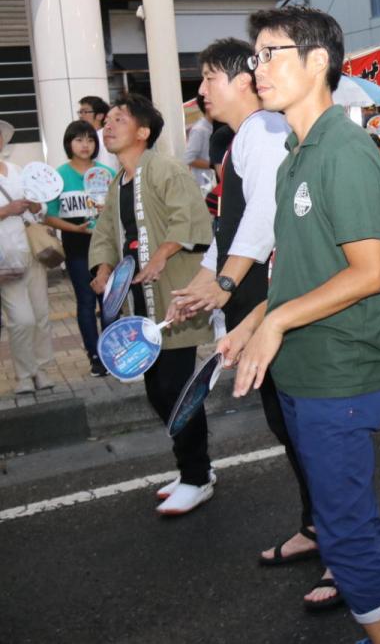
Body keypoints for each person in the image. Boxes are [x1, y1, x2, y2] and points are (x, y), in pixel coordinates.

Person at [219, 7, 380, 643]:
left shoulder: (347, 150)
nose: (258, 69)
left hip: (337, 373)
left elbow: (369, 272)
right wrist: (254, 321)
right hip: (301, 372)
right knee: (348, 514)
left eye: (271, 52)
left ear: (318, 61)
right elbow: (294, 273)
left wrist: (278, 325)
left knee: (343, 531)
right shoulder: (293, 158)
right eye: (255, 56)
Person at [165, 38, 338, 603]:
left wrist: (223, 284)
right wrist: (204, 282)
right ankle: (319, 529)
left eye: (209, 77)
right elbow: (232, 227)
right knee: (288, 427)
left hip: (275, 299)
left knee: (310, 433)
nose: (201, 89)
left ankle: (350, 551)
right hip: (255, 296)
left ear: (242, 80)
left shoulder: (265, 131)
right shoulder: (243, 137)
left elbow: (266, 220)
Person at [88, 94, 215, 514]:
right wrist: (103, 267)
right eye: (106, 121)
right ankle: (194, 467)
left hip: (172, 297)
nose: (107, 126)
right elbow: (107, 230)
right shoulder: (116, 181)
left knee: (174, 390)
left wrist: (161, 254)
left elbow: (191, 217)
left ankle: (197, 477)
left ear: (143, 132)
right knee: (155, 391)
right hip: (139, 303)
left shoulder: (165, 168)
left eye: (118, 120)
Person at [45, 120, 115, 378]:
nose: (85, 145)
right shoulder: (59, 176)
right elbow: (48, 216)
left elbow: (116, 210)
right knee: (86, 301)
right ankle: (95, 356)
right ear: (69, 143)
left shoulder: (106, 172)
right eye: (79, 140)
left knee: (109, 300)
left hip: (106, 243)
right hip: (76, 243)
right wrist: (73, 229)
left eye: (89, 140)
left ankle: (112, 353)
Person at [0, 121, 54, 394]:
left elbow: (40, 204)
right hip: (4, 259)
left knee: (41, 314)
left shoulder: (16, 170)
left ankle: (41, 370)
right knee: (21, 319)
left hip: (32, 251)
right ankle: (23, 374)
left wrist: (35, 204)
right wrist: (5, 210)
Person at [78, 95, 118, 170]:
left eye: (85, 112)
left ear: (100, 116)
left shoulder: (104, 138)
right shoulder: (92, 136)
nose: (81, 116)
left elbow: (105, 170)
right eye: (80, 112)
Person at [184, 100, 215, 189]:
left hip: (209, 183)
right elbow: (189, 158)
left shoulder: (210, 127)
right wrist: (214, 165)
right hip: (203, 185)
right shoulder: (199, 130)